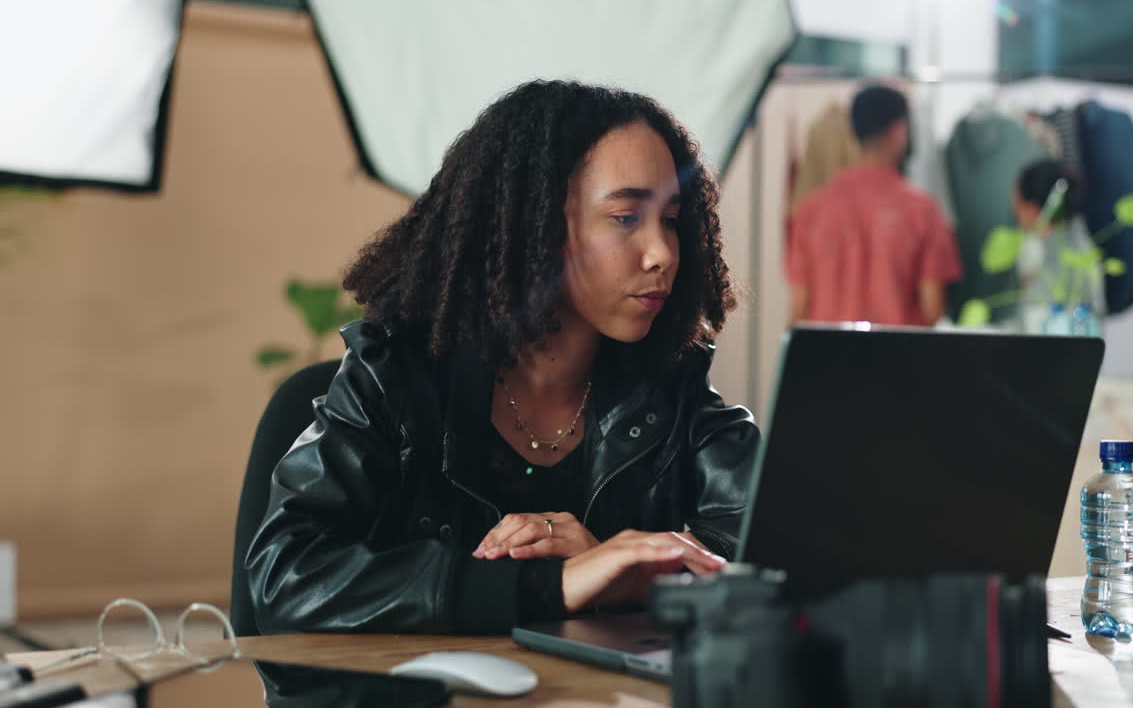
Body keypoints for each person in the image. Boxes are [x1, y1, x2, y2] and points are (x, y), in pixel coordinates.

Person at [244, 80, 759, 636]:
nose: (662, 253)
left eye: (672, 220)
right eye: (627, 217)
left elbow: (786, 557)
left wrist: (627, 573)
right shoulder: (394, 372)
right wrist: (551, 587)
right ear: (532, 226)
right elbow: (287, 574)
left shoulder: (670, 386)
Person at [787, 84, 961, 327]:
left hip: (827, 358)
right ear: (899, 130)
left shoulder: (811, 211)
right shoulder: (923, 211)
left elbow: (799, 309)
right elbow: (932, 310)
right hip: (897, 359)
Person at [1011, 158, 1104, 334]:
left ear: (1032, 209)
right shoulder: (1081, 238)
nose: (1014, 212)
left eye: (1017, 203)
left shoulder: (1041, 255)